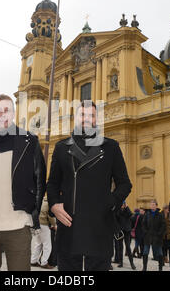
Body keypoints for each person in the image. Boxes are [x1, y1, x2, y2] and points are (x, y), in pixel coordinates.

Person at [47, 101, 132, 271]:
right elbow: (53, 183)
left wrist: (110, 203)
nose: (87, 119)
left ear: (96, 119)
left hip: (100, 226)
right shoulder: (62, 147)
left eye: (91, 115)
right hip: (69, 223)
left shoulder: (111, 147)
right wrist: (54, 204)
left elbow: (124, 184)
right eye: (82, 115)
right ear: (76, 118)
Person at [0, 94, 46, 271]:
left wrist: (31, 212)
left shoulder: (29, 141)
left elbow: (40, 180)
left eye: (8, 110)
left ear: (13, 114)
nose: (3, 114)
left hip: (18, 226)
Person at [31, 195, 56, 269]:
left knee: (38, 243)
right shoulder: (49, 202)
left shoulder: (40, 200)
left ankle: (33, 261)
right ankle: (44, 263)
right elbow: (50, 216)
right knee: (47, 245)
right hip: (44, 224)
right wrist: (54, 225)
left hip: (37, 223)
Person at [141, 200, 166, 271]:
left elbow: (163, 225)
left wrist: (159, 234)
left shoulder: (160, 214)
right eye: (151, 205)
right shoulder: (147, 214)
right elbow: (143, 224)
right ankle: (144, 267)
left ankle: (160, 268)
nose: (152, 206)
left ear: (156, 206)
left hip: (157, 237)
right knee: (145, 252)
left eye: (153, 205)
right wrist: (145, 232)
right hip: (148, 236)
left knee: (160, 253)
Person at [113, 201, 136, 270]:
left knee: (128, 247)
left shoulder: (127, 210)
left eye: (123, 204)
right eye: (121, 204)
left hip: (127, 231)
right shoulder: (118, 211)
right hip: (120, 231)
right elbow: (116, 220)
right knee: (120, 247)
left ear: (125, 204)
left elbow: (131, 215)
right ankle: (121, 262)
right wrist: (117, 230)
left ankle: (132, 263)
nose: (122, 205)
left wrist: (127, 207)